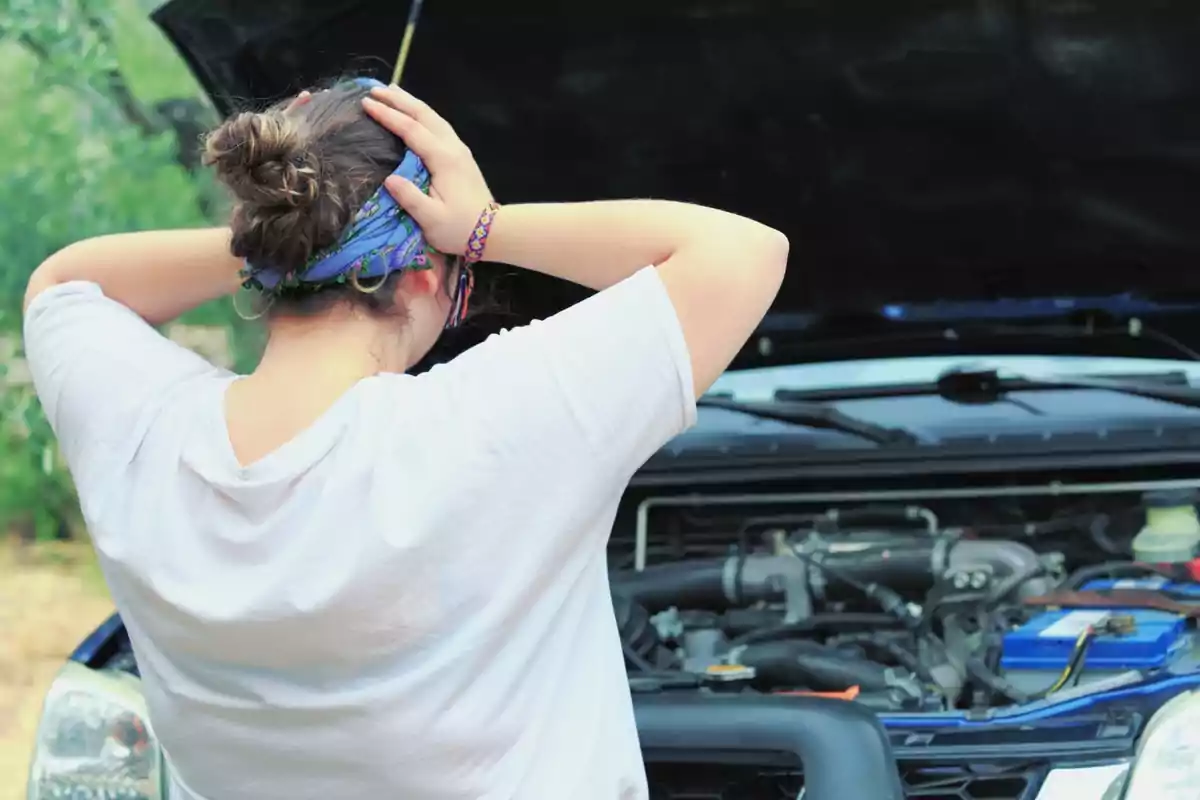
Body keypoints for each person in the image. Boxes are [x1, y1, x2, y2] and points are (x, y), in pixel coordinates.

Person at [22, 78, 788, 800]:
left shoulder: (141, 433)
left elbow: (64, 283)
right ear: (425, 276)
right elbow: (744, 253)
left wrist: (289, 234)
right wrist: (482, 223)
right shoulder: (488, 425)